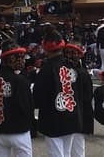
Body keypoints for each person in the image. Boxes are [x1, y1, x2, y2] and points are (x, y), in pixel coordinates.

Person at [33, 25, 83, 157]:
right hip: (72, 115)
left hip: (53, 119)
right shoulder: (72, 66)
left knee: (56, 154)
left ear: (45, 47)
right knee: (66, 153)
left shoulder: (45, 70)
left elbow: (37, 99)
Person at [0, 41, 34, 157]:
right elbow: (28, 107)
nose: (23, 60)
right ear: (10, 59)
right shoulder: (20, 80)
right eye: (19, 57)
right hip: (19, 130)